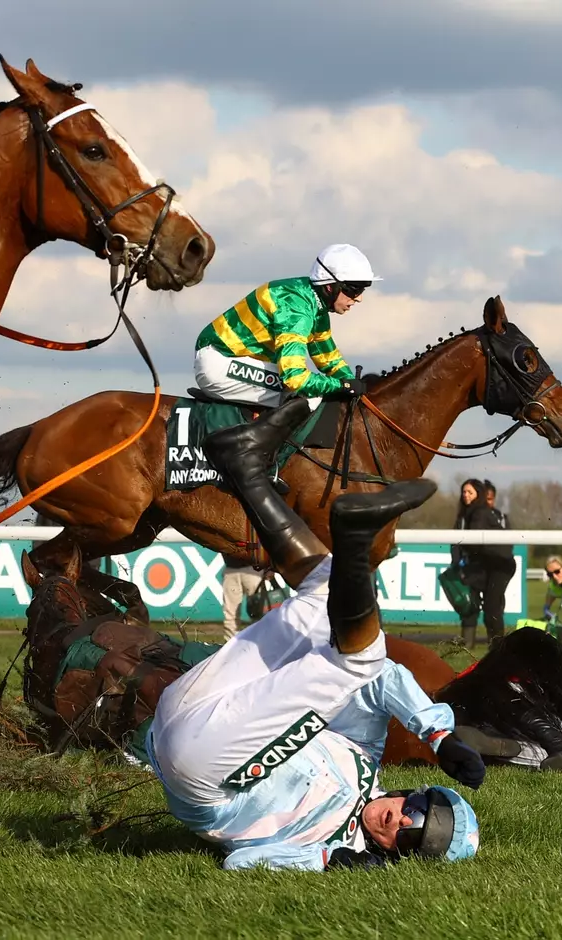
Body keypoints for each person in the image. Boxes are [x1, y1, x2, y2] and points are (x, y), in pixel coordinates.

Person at [144, 398, 483, 872]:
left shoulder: (338, 847)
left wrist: (328, 858)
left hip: (203, 775)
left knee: (360, 656)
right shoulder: (365, 755)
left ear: (398, 853)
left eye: (413, 837)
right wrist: (440, 735)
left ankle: (354, 545)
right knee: (327, 597)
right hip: (185, 706)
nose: (403, 818)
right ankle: (244, 466)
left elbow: (242, 862)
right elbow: (383, 678)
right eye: (420, 809)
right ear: (415, 792)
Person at [193, 244, 377, 408]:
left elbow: (329, 360)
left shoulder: (314, 303)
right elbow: (295, 378)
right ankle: (254, 447)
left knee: (316, 389)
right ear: (330, 286)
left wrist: (352, 383)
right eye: (355, 290)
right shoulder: (295, 308)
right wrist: (343, 386)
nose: (359, 298)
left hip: (232, 360)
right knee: (308, 397)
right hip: (220, 362)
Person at [452, 478, 517, 647]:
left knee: (492, 608)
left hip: (501, 565)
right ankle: (477, 643)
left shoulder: (479, 513)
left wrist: (462, 550)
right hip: (487, 564)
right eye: (464, 492)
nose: (466, 495)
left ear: (478, 495)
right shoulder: (468, 514)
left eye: (470, 492)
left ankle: (498, 647)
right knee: (478, 604)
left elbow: (474, 541)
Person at [220, 561, 263, 639]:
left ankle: (258, 643)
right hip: (231, 569)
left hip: (253, 569)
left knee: (258, 612)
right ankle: (231, 646)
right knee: (230, 614)